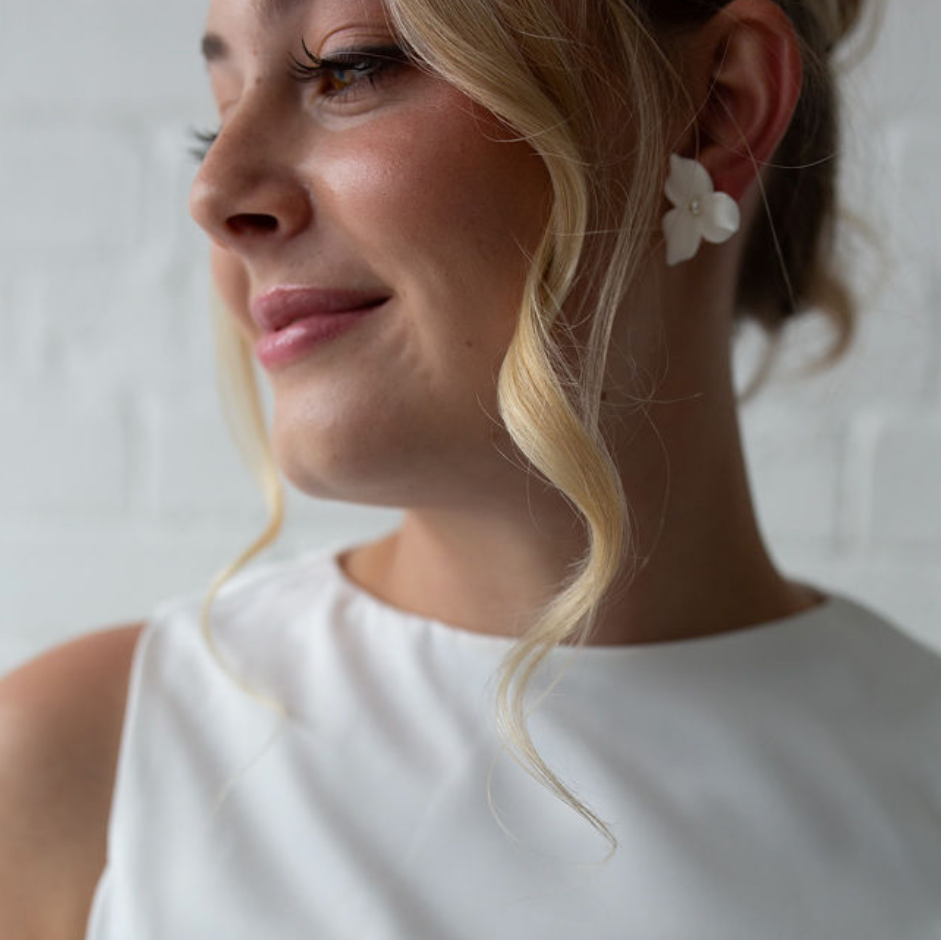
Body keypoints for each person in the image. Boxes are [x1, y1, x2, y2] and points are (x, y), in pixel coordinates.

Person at [1, 0, 939, 937]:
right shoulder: (77, 774)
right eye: (216, 117)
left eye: (350, 67)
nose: (213, 192)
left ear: (718, 109)